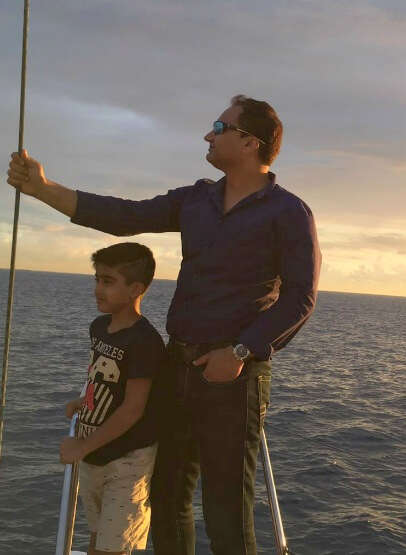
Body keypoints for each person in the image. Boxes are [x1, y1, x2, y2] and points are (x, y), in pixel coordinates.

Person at [7, 94, 321, 554]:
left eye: (219, 126)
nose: (208, 135)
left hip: (233, 379)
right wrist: (44, 189)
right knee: (167, 499)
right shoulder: (197, 199)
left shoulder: (289, 213)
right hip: (178, 367)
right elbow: (126, 216)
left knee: (225, 512)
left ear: (250, 143)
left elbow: (300, 297)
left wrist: (239, 353)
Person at [61, 242, 166, 555]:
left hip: (126, 461)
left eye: (107, 281)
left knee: (113, 548)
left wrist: (81, 446)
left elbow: (133, 410)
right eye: (97, 279)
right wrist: (84, 402)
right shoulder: (99, 328)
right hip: (95, 454)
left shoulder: (145, 341)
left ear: (136, 289)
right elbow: (102, 375)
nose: (97, 289)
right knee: (98, 539)